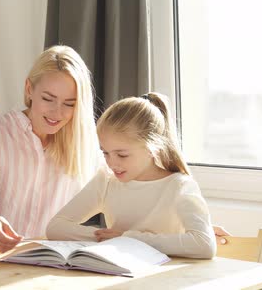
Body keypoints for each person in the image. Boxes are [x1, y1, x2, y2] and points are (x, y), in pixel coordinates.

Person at [0, 45, 104, 254]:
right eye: (48, 99)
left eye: (69, 104)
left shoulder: (85, 145)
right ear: (29, 89)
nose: (57, 112)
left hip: (37, 263)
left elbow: (117, 186)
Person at [46, 92, 217, 258]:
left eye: (122, 155)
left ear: (152, 149)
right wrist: (110, 239)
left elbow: (204, 245)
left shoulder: (179, 186)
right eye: (105, 153)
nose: (112, 163)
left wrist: (130, 239)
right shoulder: (106, 180)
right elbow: (56, 227)